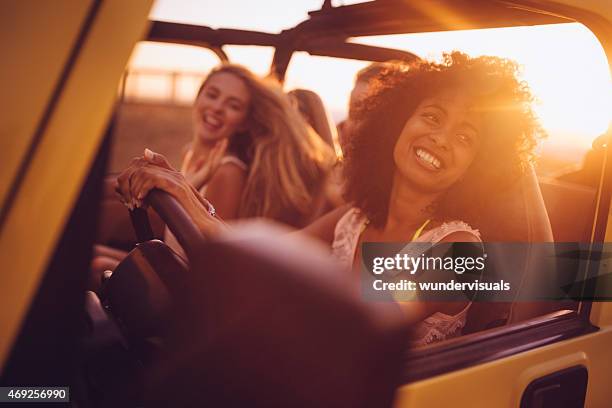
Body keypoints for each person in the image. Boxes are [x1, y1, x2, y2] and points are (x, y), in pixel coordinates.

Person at [116, 52, 544, 346]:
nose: (440, 138)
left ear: (479, 165)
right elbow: (268, 254)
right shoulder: (355, 216)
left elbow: (350, 321)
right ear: (397, 121)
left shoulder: (457, 252)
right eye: (432, 116)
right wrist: (183, 192)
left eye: (465, 138)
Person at [91, 64, 335, 287]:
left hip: (196, 285)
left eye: (359, 116)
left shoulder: (229, 170)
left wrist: (184, 191)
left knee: (95, 265)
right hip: (180, 266)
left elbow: (224, 254)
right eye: (212, 94)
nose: (345, 128)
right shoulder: (364, 217)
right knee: (89, 254)